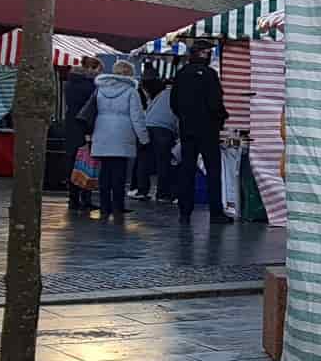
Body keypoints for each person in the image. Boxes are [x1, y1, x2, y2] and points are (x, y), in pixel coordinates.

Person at [171, 40, 231, 225]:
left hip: (188, 129)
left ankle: (184, 211)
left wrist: (185, 118)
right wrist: (221, 118)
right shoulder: (210, 75)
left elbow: (173, 103)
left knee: (187, 169)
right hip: (209, 130)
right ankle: (216, 212)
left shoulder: (181, 74)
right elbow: (215, 103)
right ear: (204, 54)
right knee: (213, 170)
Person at [81, 60, 149, 220]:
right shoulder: (131, 92)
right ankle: (118, 206)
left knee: (105, 172)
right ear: (128, 74)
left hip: (102, 131)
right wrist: (144, 138)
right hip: (122, 134)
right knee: (119, 172)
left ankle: (105, 206)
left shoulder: (100, 89)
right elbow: (137, 117)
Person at [63, 55, 101, 213]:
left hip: (71, 126)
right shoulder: (91, 86)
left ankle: (73, 198)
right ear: (92, 68)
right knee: (87, 163)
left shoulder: (69, 83)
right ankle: (85, 198)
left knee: (72, 161)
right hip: (86, 127)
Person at [132, 73, 177, 202]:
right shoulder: (177, 95)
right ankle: (162, 194)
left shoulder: (161, 94)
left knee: (144, 160)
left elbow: (149, 108)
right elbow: (179, 115)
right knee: (163, 162)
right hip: (164, 130)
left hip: (148, 126)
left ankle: (142, 191)